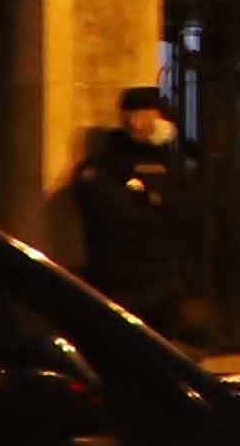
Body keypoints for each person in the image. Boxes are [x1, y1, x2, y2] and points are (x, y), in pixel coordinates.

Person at [64, 80, 199, 331]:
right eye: (136, 116)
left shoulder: (176, 163)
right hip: (120, 284)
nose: (139, 123)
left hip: (165, 284)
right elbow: (113, 215)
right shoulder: (105, 163)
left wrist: (153, 201)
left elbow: (189, 212)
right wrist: (156, 205)